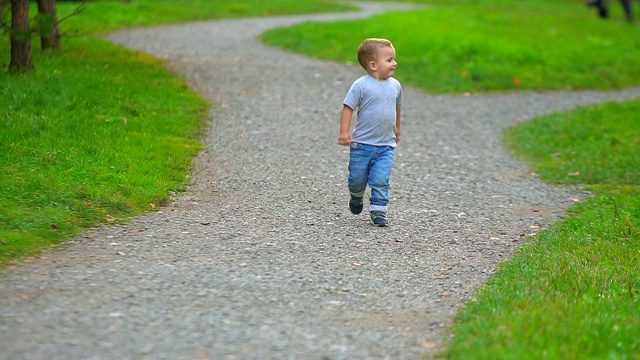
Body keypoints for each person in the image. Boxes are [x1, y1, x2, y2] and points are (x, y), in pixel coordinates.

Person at [338, 38, 402, 227]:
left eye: (394, 59)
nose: (395, 63)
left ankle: (378, 210)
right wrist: (344, 132)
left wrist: (398, 129)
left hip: (385, 145)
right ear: (373, 65)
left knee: (381, 179)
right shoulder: (360, 85)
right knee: (357, 180)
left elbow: (397, 109)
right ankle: (356, 196)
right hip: (361, 145)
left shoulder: (396, 85)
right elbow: (348, 107)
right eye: (389, 60)